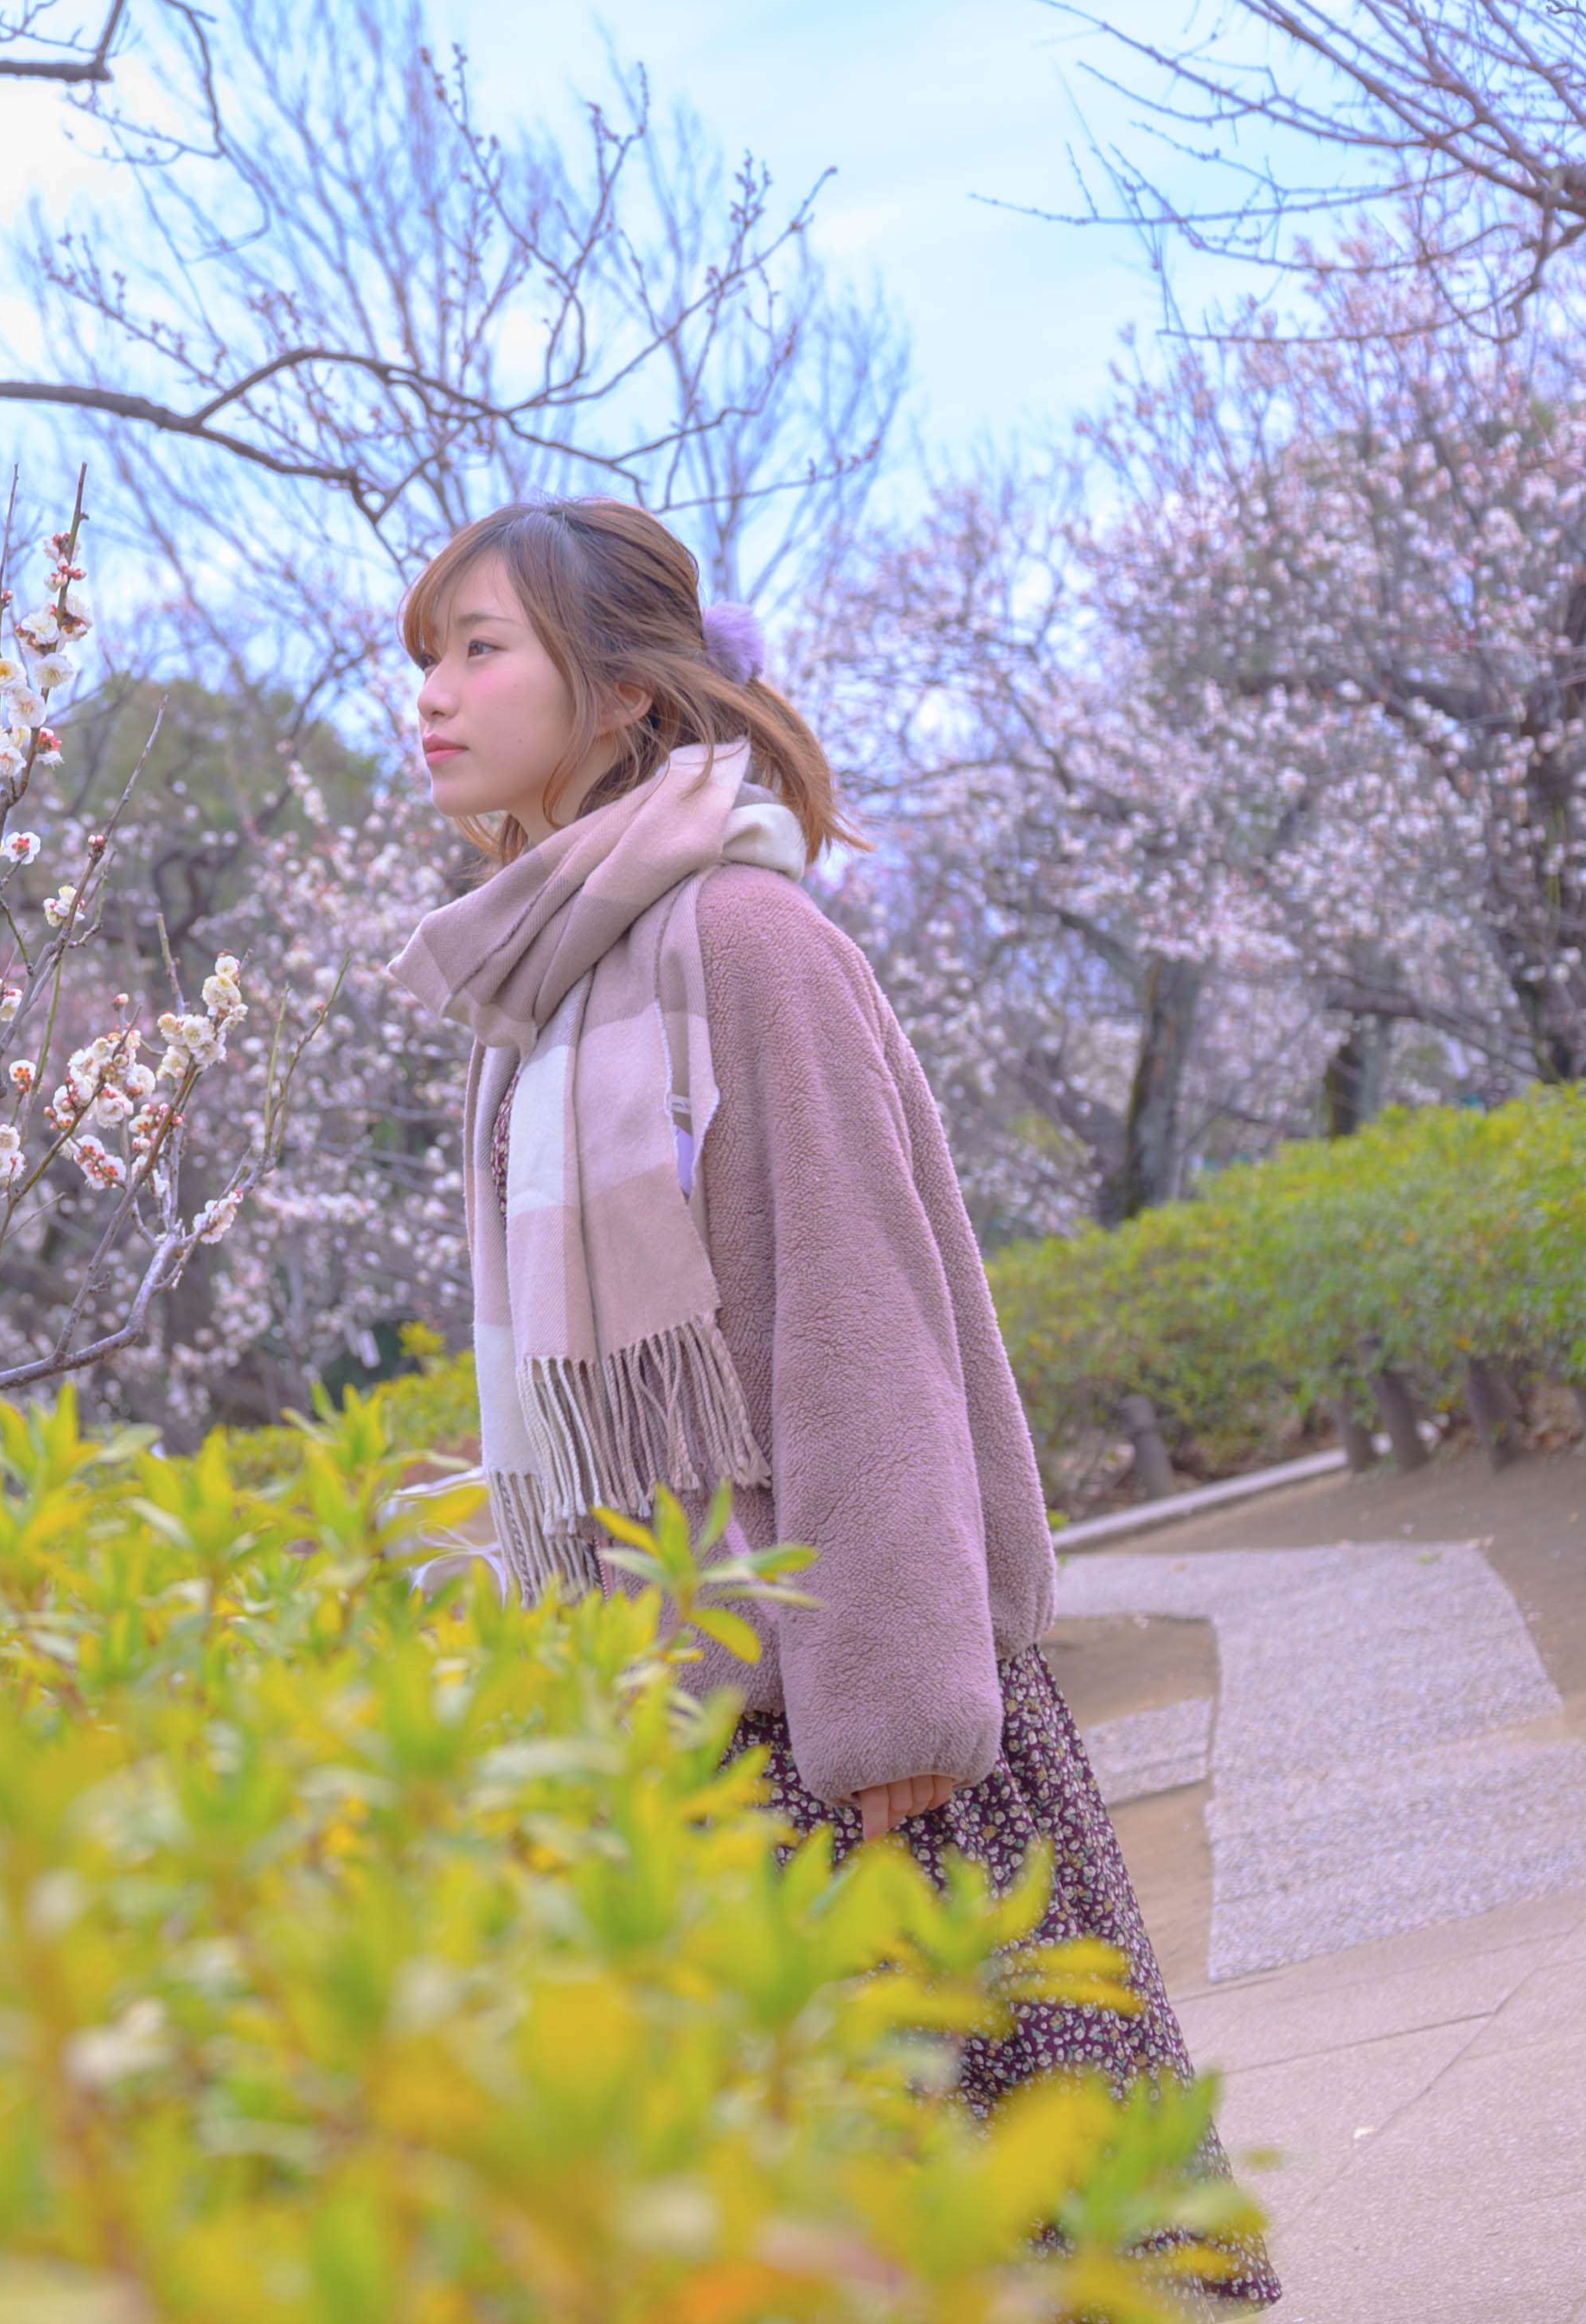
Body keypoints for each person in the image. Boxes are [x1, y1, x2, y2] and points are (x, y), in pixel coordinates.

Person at [388, 498, 1274, 2306]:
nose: (434, 693)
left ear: (623, 687)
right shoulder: (538, 1003)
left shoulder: (745, 946)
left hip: (863, 1750)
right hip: (678, 1761)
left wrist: (892, 1741)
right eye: (425, 656)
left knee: (1033, 2258)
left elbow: (863, 1337)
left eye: (480, 647)